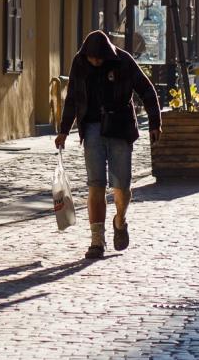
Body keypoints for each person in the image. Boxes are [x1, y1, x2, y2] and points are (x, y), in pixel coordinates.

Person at [55, 30, 164, 259]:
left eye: (98, 58)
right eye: (91, 58)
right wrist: (64, 130)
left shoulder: (123, 61)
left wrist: (155, 122)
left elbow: (146, 90)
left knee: (121, 185)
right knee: (96, 184)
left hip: (119, 128)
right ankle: (97, 240)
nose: (95, 62)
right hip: (92, 128)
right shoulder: (80, 62)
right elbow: (73, 97)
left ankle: (120, 220)